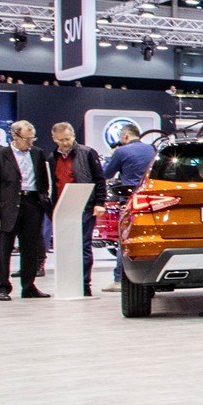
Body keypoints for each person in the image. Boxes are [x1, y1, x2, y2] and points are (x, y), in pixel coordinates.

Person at [0, 120, 53, 300]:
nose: (30, 142)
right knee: (3, 248)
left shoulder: (37, 154)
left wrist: (42, 201)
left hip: (32, 204)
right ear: (14, 136)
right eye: (26, 139)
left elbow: (43, 182)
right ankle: (2, 287)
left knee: (30, 248)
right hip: (8, 206)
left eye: (33, 138)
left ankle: (29, 286)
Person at [49, 122, 107, 296]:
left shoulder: (87, 153)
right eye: (60, 140)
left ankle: (84, 284)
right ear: (54, 139)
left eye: (67, 139)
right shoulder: (52, 157)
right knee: (65, 246)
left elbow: (99, 179)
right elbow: (53, 182)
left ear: (73, 136)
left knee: (83, 245)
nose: (65, 143)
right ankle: (68, 283)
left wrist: (99, 202)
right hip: (62, 207)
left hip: (85, 205)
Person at [103, 124, 156, 285]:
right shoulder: (152, 150)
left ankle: (119, 279)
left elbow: (106, 173)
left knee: (125, 239)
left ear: (126, 136)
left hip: (129, 199)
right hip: (151, 199)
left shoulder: (121, 151)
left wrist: (111, 157)